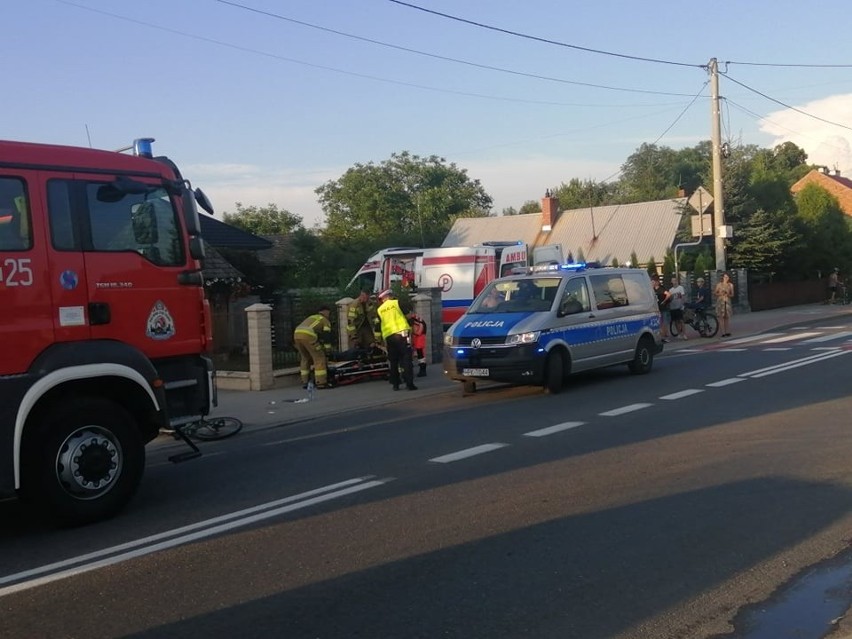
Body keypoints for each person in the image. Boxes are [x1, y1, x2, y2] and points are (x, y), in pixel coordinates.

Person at [376, 288, 417, 391]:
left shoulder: (379, 310)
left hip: (389, 337)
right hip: (402, 334)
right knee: (406, 359)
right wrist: (412, 326)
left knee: (393, 361)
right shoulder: (397, 303)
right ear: (390, 295)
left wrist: (378, 340)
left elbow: (377, 326)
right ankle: (409, 384)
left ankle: (395, 384)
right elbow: (408, 316)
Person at [293, 305, 333, 389]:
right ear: (326, 312)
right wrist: (328, 349)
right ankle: (321, 382)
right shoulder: (325, 320)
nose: (329, 314)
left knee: (305, 358)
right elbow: (327, 336)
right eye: (329, 312)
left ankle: (305, 382)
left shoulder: (312, 317)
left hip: (297, 334)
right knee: (319, 358)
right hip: (308, 335)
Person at [407, 311, 428, 377]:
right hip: (420, 337)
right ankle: (422, 370)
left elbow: (413, 330)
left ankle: (422, 370)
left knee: (420, 354)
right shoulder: (417, 319)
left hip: (418, 338)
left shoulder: (413, 320)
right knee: (420, 354)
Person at [651, 274, 671, 342]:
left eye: (653, 282)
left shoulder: (661, 288)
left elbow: (668, 294)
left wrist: (664, 301)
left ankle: (665, 336)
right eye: (652, 282)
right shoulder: (652, 289)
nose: (652, 283)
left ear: (657, 282)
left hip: (663, 308)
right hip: (657, 308)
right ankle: (662, 336)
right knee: (659, 323)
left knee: (664, 323)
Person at [714, 272, 735, 337]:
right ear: (722, 278)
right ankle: (723, 332)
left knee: (727, 317)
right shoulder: (719, 284)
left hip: (727, 301)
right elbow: (715, 293)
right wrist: (720, 294)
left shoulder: (730, 285)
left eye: (727, 277)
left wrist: (728, 294)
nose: (726, 278)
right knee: (721, 317)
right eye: (725, 277)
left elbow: (732, 294)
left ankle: (727, 331)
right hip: (720, 301)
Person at [668, 276, 687, 340]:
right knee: (675, 321)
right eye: (673, 281)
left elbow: (683, 296)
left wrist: (682, 305)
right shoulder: (670, 290)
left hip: (679, 307)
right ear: (671, 282)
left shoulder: (680, 288)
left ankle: (684, 334)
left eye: (675, 280)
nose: (674, 282)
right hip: (673, 307)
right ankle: (679, 333)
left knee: (681, 320)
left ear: (677, 281)